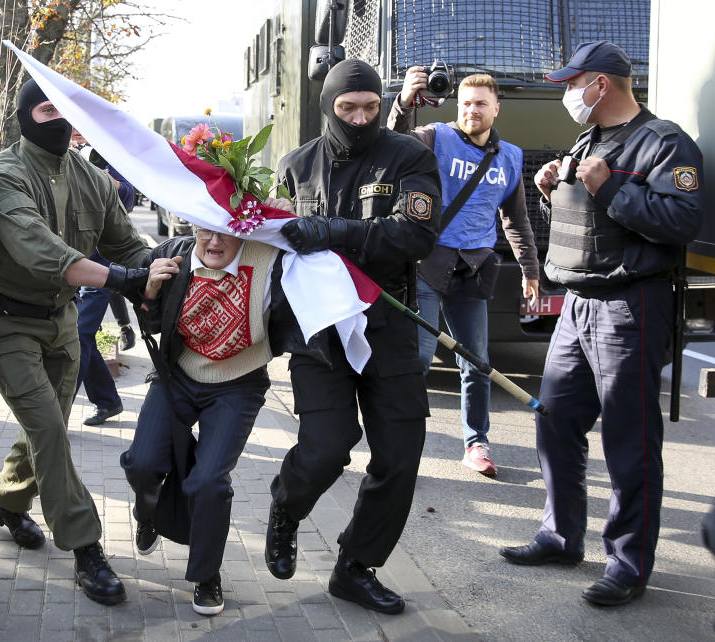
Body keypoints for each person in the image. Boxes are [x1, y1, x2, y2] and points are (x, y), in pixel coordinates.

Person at [499, 41, 704, 607]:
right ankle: (562, 536)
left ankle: (628, 564)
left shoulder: (663, 143)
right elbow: (587, 221)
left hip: (632, 307)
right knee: (555, 421)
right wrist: (551, 193)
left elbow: (680, 221)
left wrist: (607, 185)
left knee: (629, 441)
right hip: (580, 303)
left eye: (573, 83)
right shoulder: (590, 139)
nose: (567, 93)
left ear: (602, 84)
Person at [0, 79, 175, 607]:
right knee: (50, 431)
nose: (59, 120)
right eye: (46, 109)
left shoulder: (92, 179)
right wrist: (125, 281)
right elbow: (43, 253)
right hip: (6, 323)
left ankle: (8, 501)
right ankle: (85, 546)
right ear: (24, 116)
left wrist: (183, 258)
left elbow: (127, 244)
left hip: (61, 322)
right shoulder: (2, 177)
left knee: (46, 429)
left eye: (66, 110)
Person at [264, 59, 442, 614]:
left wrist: (335, 232)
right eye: (348, 108)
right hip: (318, 332)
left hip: (387, 322)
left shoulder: (410, 155)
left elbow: (415, 234)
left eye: (370, 106)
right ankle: (285, 511)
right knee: (326, 449)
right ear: (329, 107)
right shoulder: (296, 167)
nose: (361, 118)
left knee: (400, 453)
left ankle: (356, 566)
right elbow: (266, 244)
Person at [120, 213, 293, 616]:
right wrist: (148, 288)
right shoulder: (174, 255)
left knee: (208, 481)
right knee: (143, 463)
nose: (213, 242)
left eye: (225, 232)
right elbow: (151, 320)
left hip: (238, 382)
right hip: (177, 374)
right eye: (205, 230)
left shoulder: (272, 260)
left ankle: (206, 574)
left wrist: (290, 219)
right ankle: (149, 513)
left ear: (243, 232)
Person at [388, 71, 540, 476]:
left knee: (477, 362)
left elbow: (516, 219)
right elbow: (394, 144)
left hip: (473, 271)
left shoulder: (510, 156)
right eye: (467, 103)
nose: (472, 110)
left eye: (481, 103)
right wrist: (403, 101)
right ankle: (402, 447)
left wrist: (530, 269)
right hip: (428, 265)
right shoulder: (436, 137)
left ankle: (476, 444)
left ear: (496, 109)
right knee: (418, 358)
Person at [69, 129, 141, 426]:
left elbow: (126, 197)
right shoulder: (61, 151)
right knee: (82, 335)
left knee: (78, 336)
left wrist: (90, 169)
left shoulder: (111, 154)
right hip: (72, 262)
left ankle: (57, 413)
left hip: (100, 266)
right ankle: (108, 401)